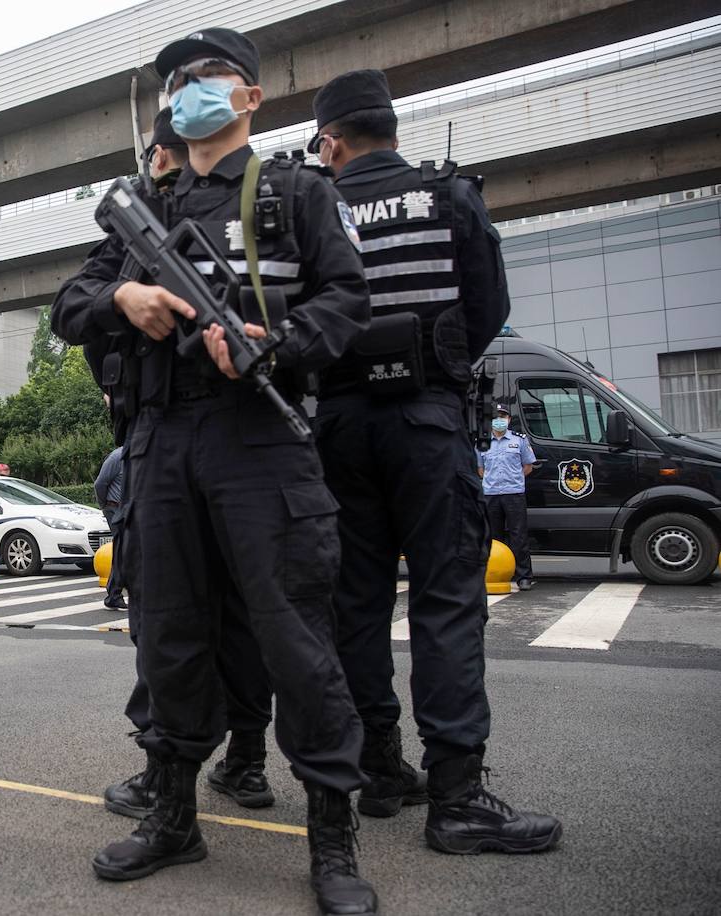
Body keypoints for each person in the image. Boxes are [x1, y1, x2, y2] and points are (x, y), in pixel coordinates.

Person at [54, 30, 377, 914]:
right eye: (177, 81)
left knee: (296, 641)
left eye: (209, 77)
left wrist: (279, 343)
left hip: (258, 439)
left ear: (251, 98)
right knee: (170, 633)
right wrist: (125, 297)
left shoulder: (298, 191)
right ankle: (172, 817)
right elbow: (69, 306)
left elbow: (349, 298)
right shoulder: (142, 209)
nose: (189, 89)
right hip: (162, 439)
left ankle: (332, 837)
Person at [308, 68, 561, 854]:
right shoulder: (448, 196)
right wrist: (437, 371)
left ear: (332, 140)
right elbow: (489, 309)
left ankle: (380, 770)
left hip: (339, 424)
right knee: (447, 598)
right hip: (427, 420)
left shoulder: (315, 202)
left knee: (356, 601)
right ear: (390, 128)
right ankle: (457, 796)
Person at [92, 108, 279, 830]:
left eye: (158, 158)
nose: (154, 171)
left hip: (186, 442)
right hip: (200, 447)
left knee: (170, 621)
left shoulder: (219, 217)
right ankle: (238, 762)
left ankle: (172, 772)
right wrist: (122, 300)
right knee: (222, 621)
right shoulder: (142, 237)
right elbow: (75, 308)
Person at [479, 405, 536, 590]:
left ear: (509, 419)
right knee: (493, 538)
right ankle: (495, 573)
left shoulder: (519, 440)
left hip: (514, 494)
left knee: (518, 536)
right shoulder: (482, 442)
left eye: (503, 416)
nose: (499, 420)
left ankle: (524, 577)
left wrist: (514, 479)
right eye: (496, 416)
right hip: (491, 495)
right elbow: (480, 469)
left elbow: (528, 466)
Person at [93, 443, 127, 610]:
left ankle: (115, 593)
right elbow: (100, 484)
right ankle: (114, 593)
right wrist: (104, 505)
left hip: (131, 510)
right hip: (115, 509)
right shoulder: (117, 457)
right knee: (124, 550)